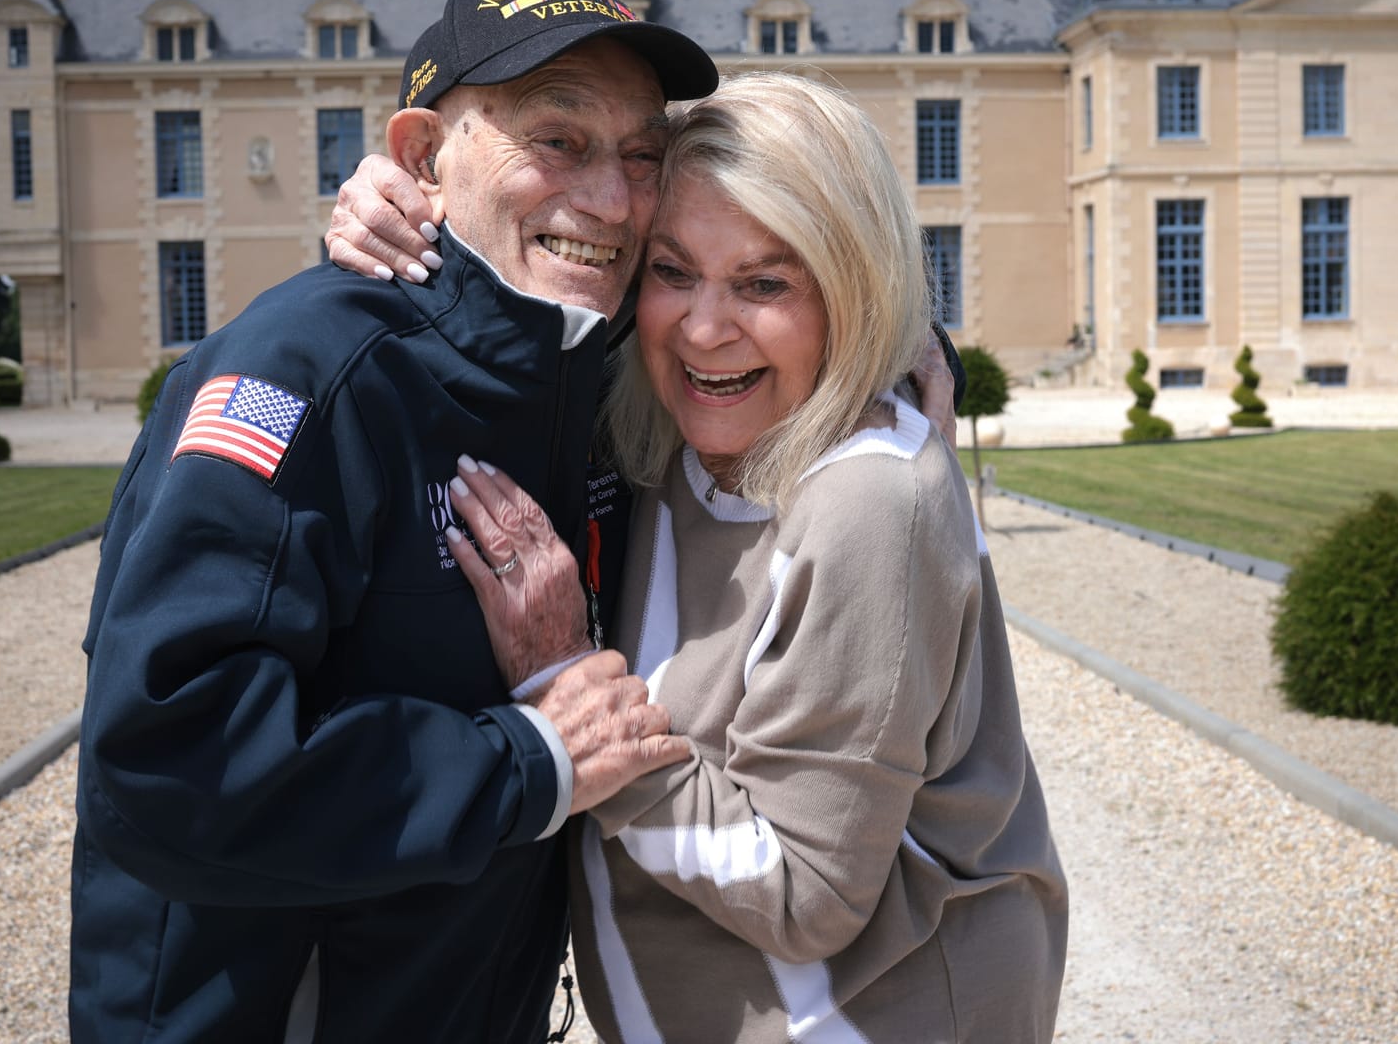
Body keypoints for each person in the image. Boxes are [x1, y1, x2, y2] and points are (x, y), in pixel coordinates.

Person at [70, 0, 717, 1042]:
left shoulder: (598, 370)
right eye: (557, 140)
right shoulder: (304, 373)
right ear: (423, 155)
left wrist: (890, 340)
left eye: (641, 156)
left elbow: (774, 283)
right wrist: (534, 759)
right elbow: (167, 759)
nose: (611, 200)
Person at [427, 74, 1069, 1041]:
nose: (704, 328)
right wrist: (411, 202)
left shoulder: (867, 501)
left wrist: (572, 697)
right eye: (673, 271)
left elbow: (807, 893)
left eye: (766, 282)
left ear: (853, 286)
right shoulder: (680, 436)